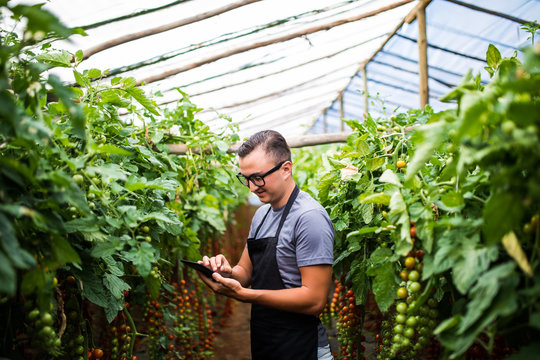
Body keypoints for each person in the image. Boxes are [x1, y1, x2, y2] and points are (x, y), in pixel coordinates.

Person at [198, 130, 335, 360]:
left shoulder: (309, 217)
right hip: (266, 343)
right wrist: (225, 272)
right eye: (246, 179)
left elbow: (315, 300)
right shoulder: (261, 216)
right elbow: (244, 273)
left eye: (258, 177)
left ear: (286, 169)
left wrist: (246, 295)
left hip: (302, 347)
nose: (252, 187)